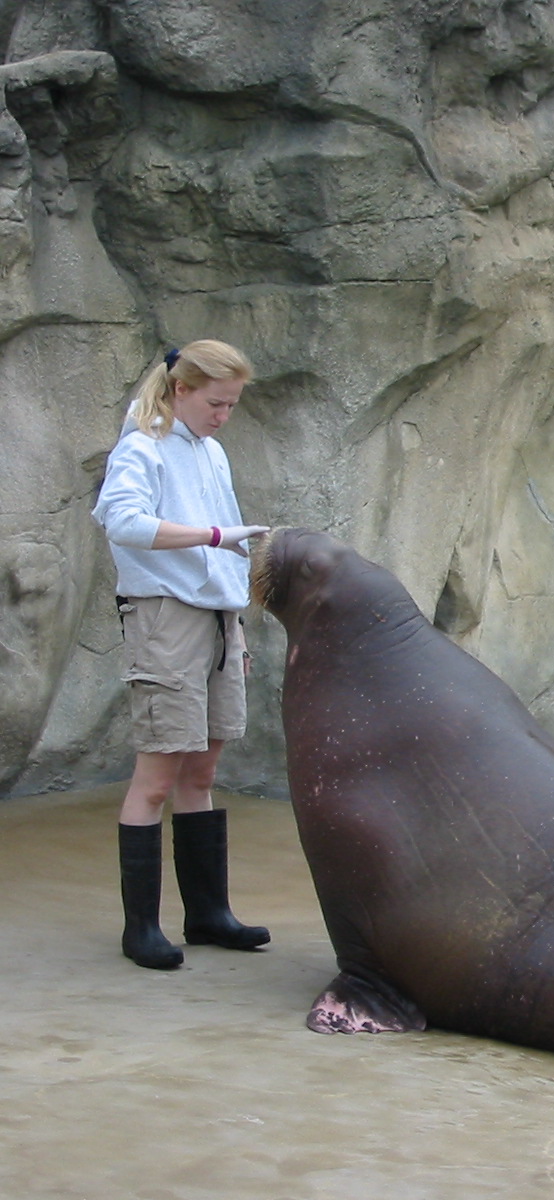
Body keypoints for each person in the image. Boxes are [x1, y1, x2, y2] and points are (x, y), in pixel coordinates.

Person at [91, 340, 272, 969]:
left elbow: (229, 541)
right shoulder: (141, 446)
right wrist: (214, 537)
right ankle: (140, 928)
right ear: (180, 390)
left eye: (231, 406)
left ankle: (208, 914)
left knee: (203, 769)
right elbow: (122, 521)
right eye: (216, 403)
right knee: (157, 775)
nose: (224, 415)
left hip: (220, 619)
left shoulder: (212, 451)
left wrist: (237, 624)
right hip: (165, 616)